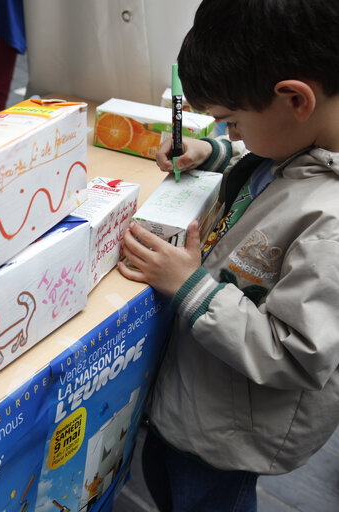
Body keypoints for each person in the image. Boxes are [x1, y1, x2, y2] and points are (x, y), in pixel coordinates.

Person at [116, 0, 339, 510]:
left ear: (294, 98)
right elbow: (276, 161)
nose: (229, 133)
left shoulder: (331, 226)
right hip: (197, 391)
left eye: (230, 122)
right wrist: (214, 152)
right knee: (163, 479)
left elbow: (294, 354)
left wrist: (191, 287)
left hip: (229, 431)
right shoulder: (304, 131)